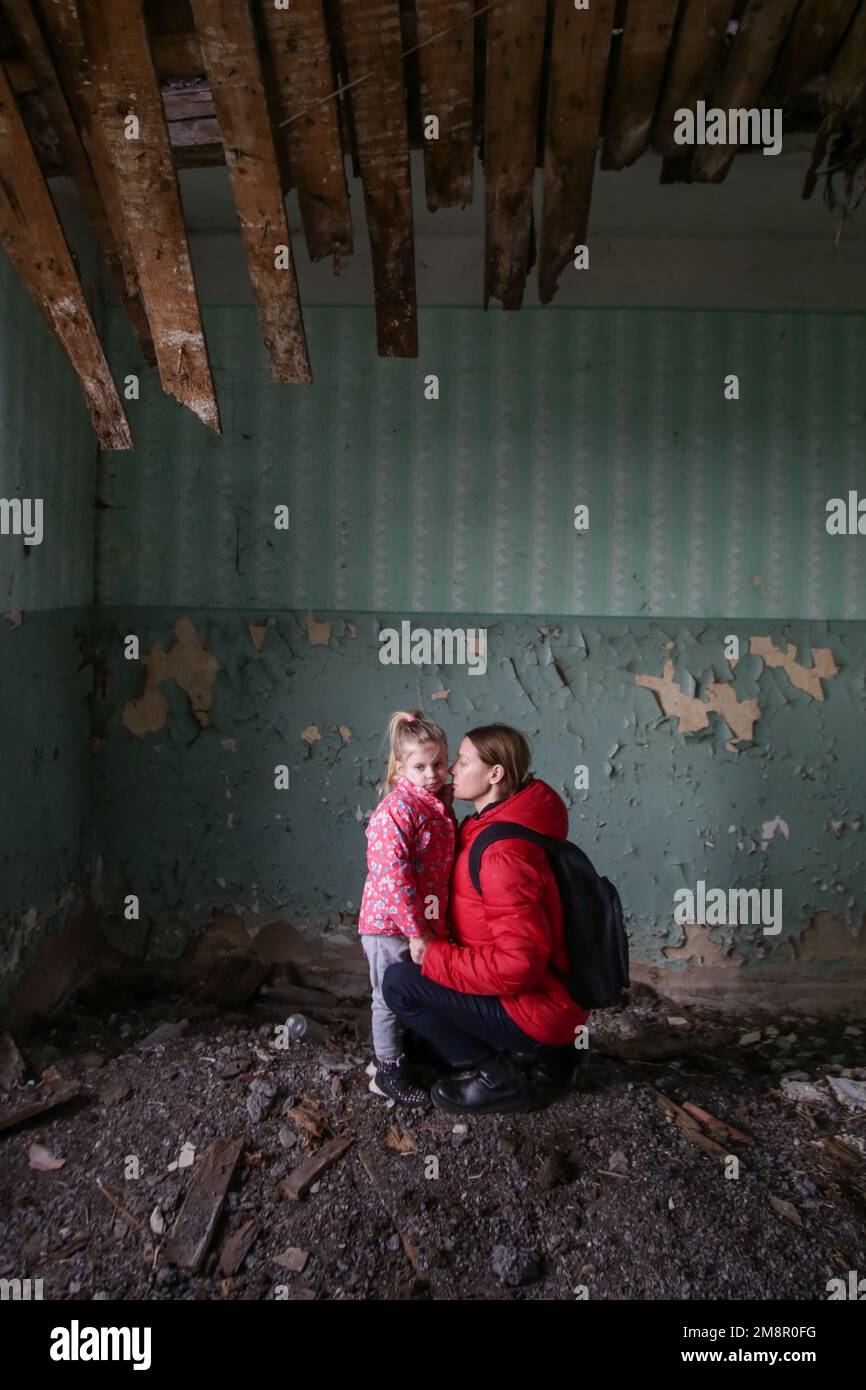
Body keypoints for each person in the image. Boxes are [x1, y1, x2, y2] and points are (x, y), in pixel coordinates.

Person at [382, 724, 591, 1115]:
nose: (451, 772)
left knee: (398, 983)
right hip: (558, 999)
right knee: (423, 1040)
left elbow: (520, 965)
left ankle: (498, 1077)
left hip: (536, 1009)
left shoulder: (501, 855)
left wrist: (435, 958)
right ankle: (561, 1057)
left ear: (495, 775)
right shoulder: (503, 821)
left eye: (462, 762)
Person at [358, 711, 456, 1106]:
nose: (432, 773)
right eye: (420, 766)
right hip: (388, 925)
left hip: (419, 923)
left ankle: (406, 1054)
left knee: (411, 994)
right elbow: (393, 878)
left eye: (439, 764)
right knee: (386, 996)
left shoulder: (433, 806)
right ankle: (387, 1073)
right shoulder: (397, 810)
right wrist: (415, 931)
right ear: (401, 768)